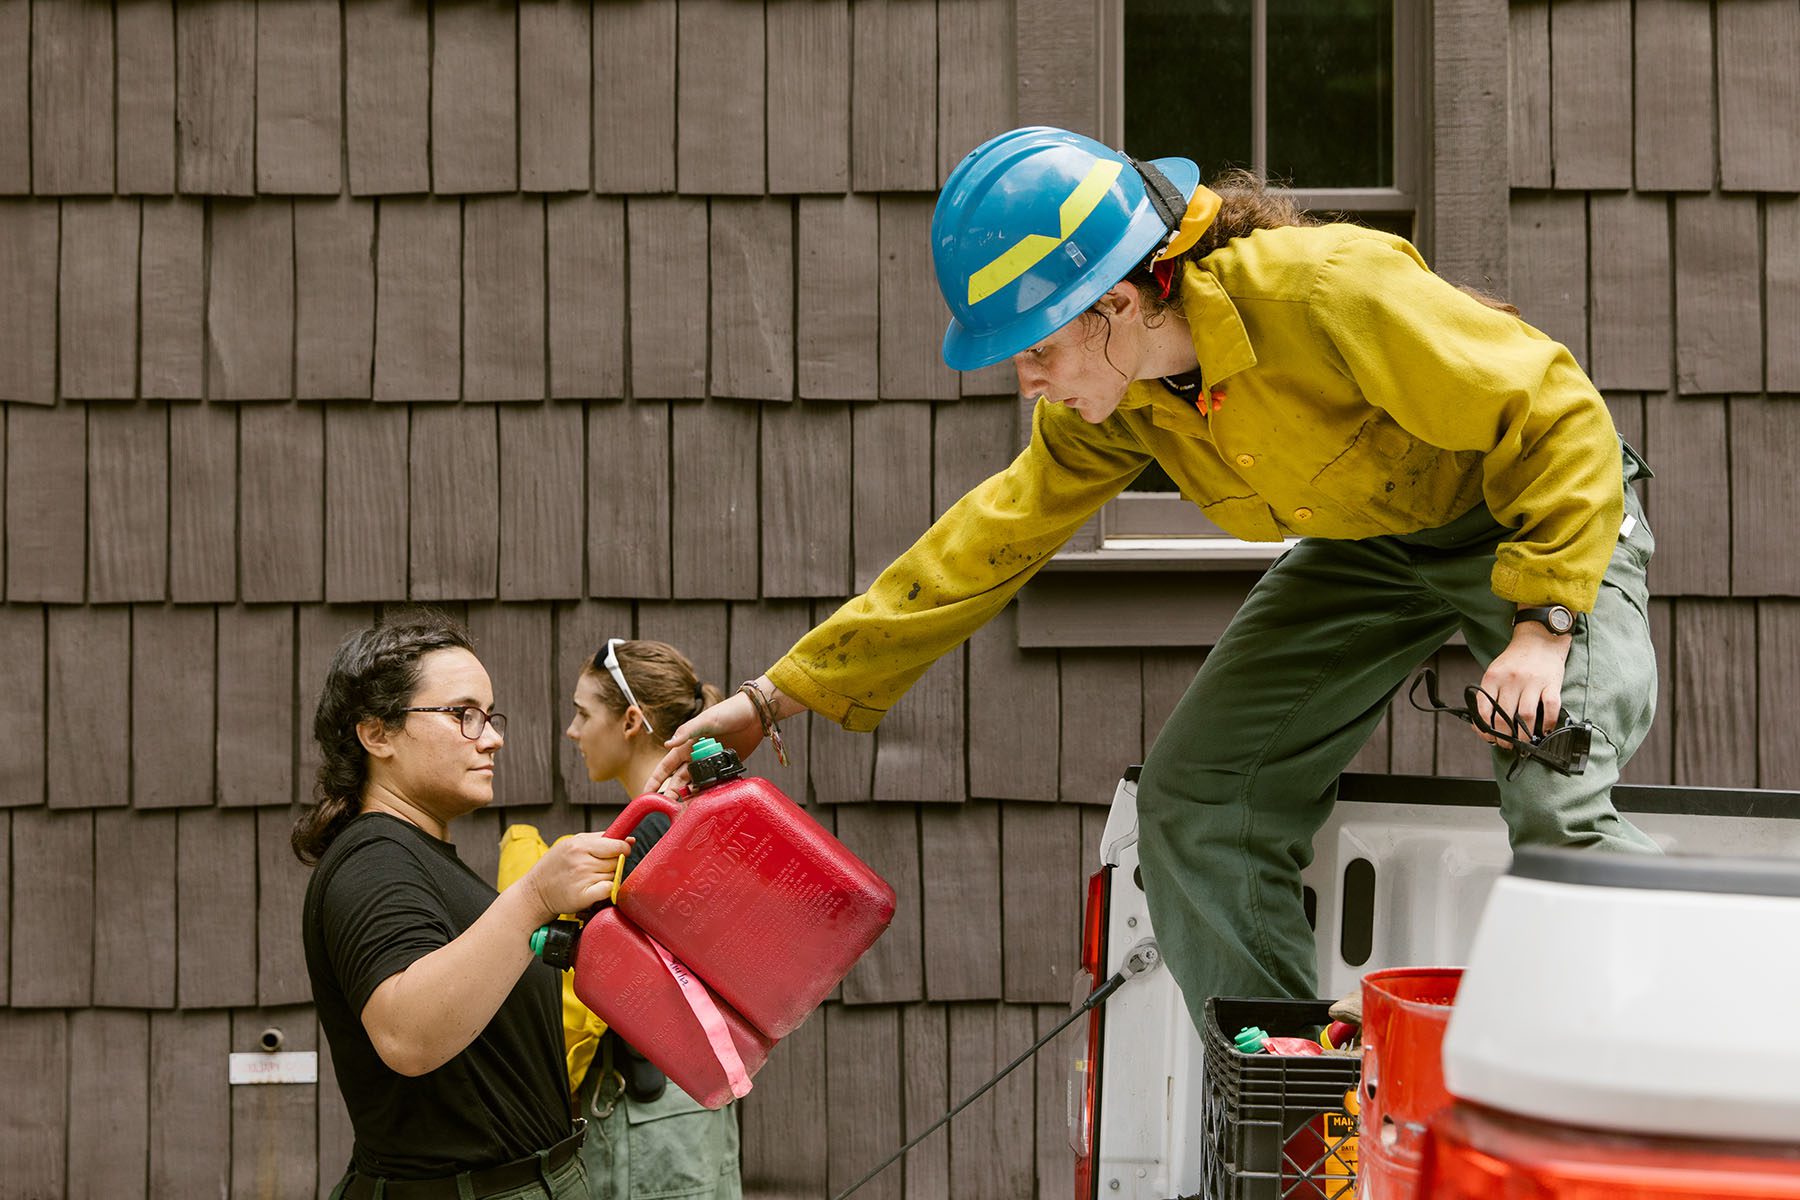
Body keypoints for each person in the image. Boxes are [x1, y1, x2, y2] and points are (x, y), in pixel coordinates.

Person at [647, 126, 1661, 1036]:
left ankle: (1646, 1081)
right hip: (1374, 546)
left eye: (1038, 349)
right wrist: (775, 696)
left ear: (1119, 304)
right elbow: (983, 543)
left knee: (1558, 797)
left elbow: (1557, 414)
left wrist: (1545, 623)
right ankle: (1291, 1118)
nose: (1030, 382)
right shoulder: (1124, 401)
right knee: (1199, 800)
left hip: (1544, 515)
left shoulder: (1325, 287)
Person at [295, 612, 629, 1199]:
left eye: (489, 716)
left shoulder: (418, 856)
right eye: (462, 714)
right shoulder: (374, 860)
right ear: (377, 734)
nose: (493, 736)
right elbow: (408, 1035)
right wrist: (535, 896)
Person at [498, 638, 742, 1200]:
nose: (573, 731)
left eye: (584, 713)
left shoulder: (651, 838)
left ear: (631, 720)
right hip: (693, 1112)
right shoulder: (691, 818)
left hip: (647, 1119)